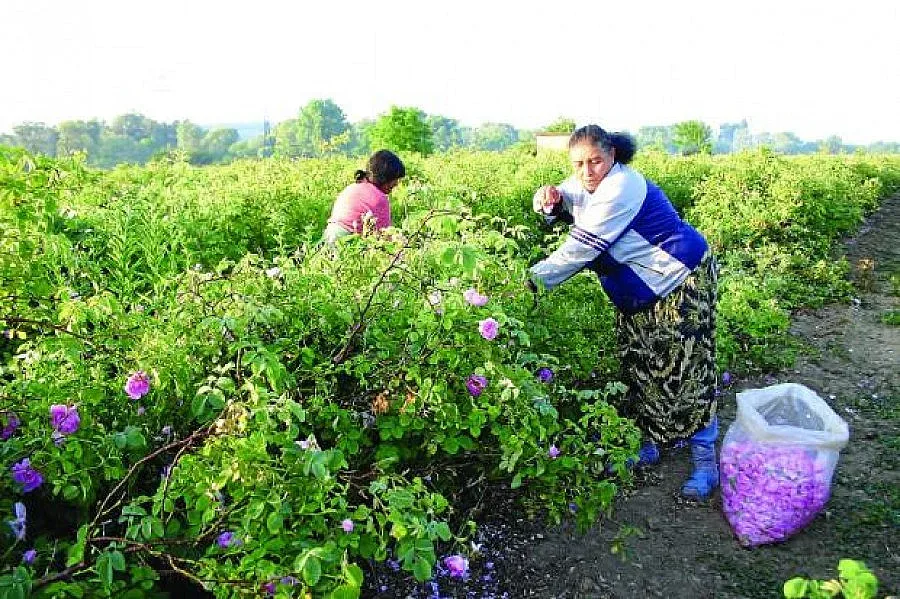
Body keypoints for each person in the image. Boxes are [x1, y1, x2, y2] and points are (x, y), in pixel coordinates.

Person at [527, 124, 720, 499]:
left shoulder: (621, 188)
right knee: (641, 364)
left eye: (595, 161)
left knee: (689, 369)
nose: (587, 171)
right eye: (579, 163)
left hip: (679, 282)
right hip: (639, 295)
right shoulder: (589, 182)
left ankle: (705, 462)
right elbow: (562, 199)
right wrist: (547, 200)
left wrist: (528, 282)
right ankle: (649, 444)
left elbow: (579, 251)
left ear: (612, 155)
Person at [323, 149, 405, 243]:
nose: (396, 184)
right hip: (347, 242)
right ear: (385, 177)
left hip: (328, 237)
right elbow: (385, 237)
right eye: (395, 179)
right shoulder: (380, 199)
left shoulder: (352, 187)